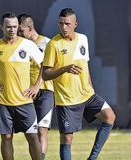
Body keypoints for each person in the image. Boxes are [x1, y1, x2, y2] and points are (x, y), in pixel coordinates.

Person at [42, 8, 116, 160]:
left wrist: (90, 86)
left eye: (67, 24)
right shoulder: (53, 45)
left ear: (76, 24)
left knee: (109, 117)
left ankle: (92, 158)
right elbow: (45, 74)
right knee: (67, 138)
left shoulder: (83, 39)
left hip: (87, 95)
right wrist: (64, 69)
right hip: (67, 99)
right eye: (61, 23)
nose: (64, 27)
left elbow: (85, 66)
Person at [0, 12, 42, 160]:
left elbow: (45, 65)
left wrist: (36, 86)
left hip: (25, 102)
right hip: (2, 102)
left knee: (32, 136)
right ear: (1, 27)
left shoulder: (28, 45)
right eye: (8, 26)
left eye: (15, 26)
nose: (12, 29)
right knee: (6, 138)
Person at [18, 13, 54, 160]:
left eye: (20, 30)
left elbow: (46, 67)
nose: (18, 34)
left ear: (29, 27)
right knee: (30, 132)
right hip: (26, 92)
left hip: (45, 91)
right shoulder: (21, 45)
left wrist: (37, 85)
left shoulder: (46, 43)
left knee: (42, 130)